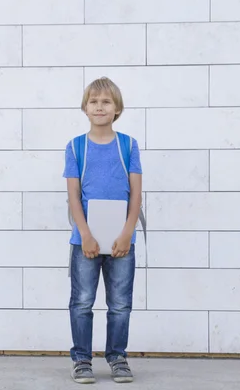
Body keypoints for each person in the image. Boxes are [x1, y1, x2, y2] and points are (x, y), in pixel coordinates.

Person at [63, 77, 142, 384]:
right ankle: (81, 358)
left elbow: (135, 194)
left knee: (120, 303)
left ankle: (117, 357)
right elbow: (73, 195)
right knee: (82, 301)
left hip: (122, 239)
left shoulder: (128, 145)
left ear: (117, 108)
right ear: (85, 107)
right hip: (85, 240)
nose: (99, 107)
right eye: (94, 101)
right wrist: (85, 234)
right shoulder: (75, 147)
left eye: (106, 101)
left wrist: (126, 234)